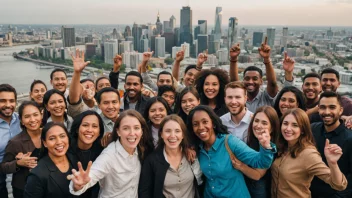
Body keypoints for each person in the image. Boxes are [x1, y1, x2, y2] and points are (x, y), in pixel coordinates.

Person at [187, 105, 276, 197]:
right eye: (195, 124)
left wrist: (266, 146)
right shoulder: (198, 148)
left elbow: (261, 162)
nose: (200, 127)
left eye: (205, 122)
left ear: (213, 123)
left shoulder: (230, 142)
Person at [68, 110, 154, 198]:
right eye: (125, 128)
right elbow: (93, 174)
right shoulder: (109, 155)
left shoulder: (140, 148)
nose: (132, 133)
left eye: (136, 128)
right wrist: (78, 184)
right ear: (118, 131)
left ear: (142, 131)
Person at [271, 108, 347, 197]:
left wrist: (333, 163)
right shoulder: (281, 146)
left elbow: (339, 185)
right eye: (285, 123)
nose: (288, 128)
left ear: (303, 130)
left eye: (295, 125)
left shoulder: (308, 154)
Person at [138, 115, 203, 198]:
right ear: (161, 134)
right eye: (168, 131)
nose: (172, 135)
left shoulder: (191, 156)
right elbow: (145, 192)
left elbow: (201, 183)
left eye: (177, 131)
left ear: (183, 135)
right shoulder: (152, 160)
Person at [229, 43, 294, 113]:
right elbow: (234, 83)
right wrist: (233, 59)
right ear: (243, 81)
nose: (250, 82)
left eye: (255, 79)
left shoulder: (266, 97)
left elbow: (272, 84)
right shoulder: (238, 98)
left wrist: (266, 59)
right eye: (247, 78)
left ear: (261, 81)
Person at [231, 106, 280, 198]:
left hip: (258, 189)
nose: (258, 125)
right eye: (256, 121)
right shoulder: (253, 139)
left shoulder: (269, 146)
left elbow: (258, 175)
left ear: (272, 128)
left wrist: (240, 166)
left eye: (264, 123)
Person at [310, 92, 352, 198]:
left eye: (332, 107)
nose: (327, 112)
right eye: (323, 107)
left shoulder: (349, 138)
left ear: (341, 110)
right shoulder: (312, 129)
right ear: (318, 109)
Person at [24, 122, 78, 198]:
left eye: (62, 136)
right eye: (52, 138)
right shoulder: (37, 174)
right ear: (45, 143)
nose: (59, 142)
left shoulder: (75, 159)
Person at [0, 101, 41, 198]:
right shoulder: (15, 142)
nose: (32, 119)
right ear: (21, 120)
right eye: (27, 117)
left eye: (35, 115)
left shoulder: (48, 135)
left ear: (41, 115)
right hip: (24, 189)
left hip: (46, 185)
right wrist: (18, 163)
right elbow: (3, 167)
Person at [69, 110, 105, 198]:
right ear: (77, 129)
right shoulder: (65, 149)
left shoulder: (103, 153)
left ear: (99, 132)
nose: (89, 130)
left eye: (95, 126)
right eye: (85, 125)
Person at [0, 84, 21, 198]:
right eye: (3, 101)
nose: (8, 105)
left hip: (20, 173)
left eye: (11, 101)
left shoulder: (21, 119)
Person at [68, 49, 99, 118]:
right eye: (86, 86)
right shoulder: (78, 107)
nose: (89, 89)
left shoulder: (101, 104)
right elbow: (74, 95)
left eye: (91, 86)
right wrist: (77, 72)